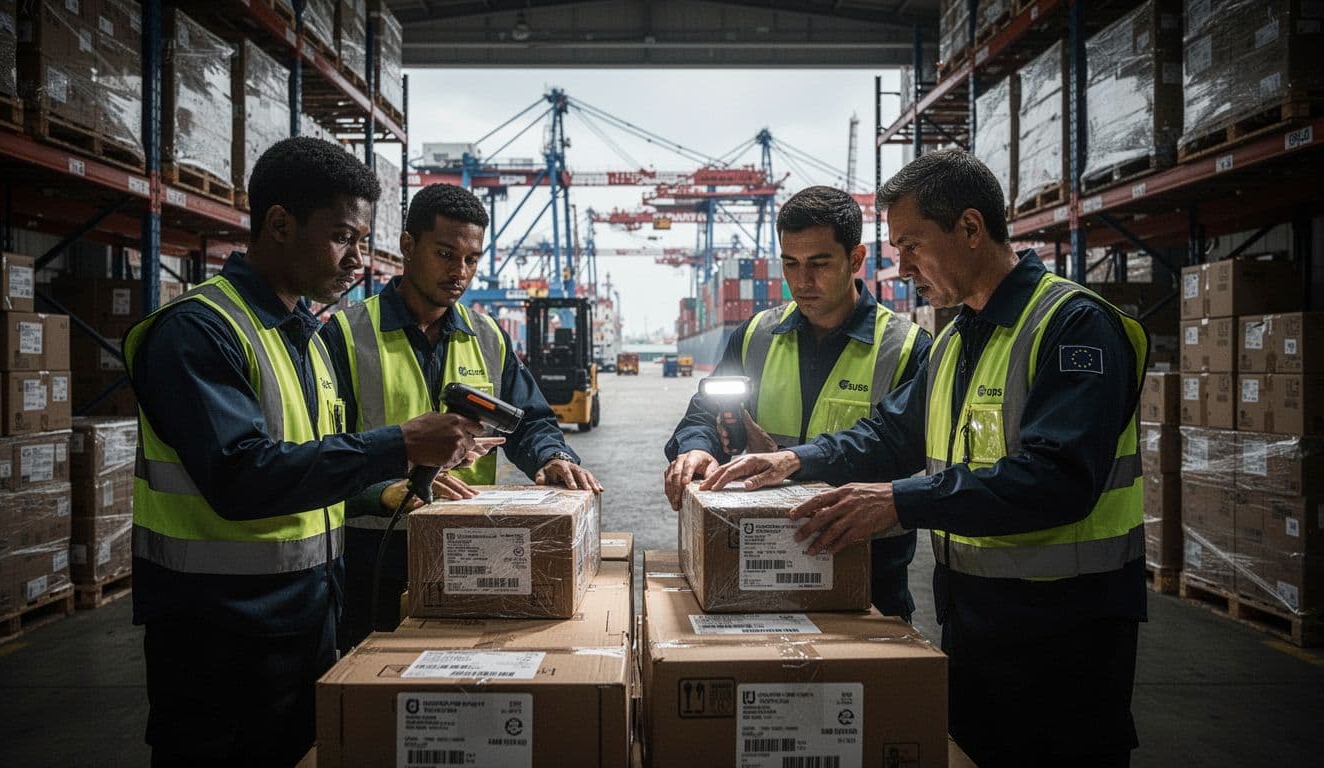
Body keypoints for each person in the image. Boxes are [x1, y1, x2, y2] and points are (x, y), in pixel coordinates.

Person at [700, 149, 1147, 768]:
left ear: (969, 228)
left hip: (1068, 630)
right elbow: (888, 434)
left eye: (910, 245)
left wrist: (898, 502)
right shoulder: (960, 336)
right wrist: (793, 462)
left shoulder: (1072, 326)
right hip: (975, 619)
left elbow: (1058, 479)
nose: (900, 265)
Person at [123, 137, 489, 768]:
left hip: (310, 621)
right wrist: (398, 444)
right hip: (217, 638)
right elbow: (241, 477)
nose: (358, 259)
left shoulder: (305, 337)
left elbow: (316, 467)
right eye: (344, 237)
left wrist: (387, 488)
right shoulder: (198, 330)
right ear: (280, 224)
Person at [321, 183, 602, 647]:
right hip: (374, 553)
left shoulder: (487, 336)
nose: (461, 272)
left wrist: (551, 456)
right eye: (446, 254)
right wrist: (382, 490)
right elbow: (319, 451)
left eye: (472, 259)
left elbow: (527, 419)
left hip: (470, 545)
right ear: (408, 246)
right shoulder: (346, 335)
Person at [662, 185, 929, 620]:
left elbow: (896, 443)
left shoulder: (906, 349)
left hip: (868, 571)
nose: (802, 281)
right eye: (790, 264)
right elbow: (706, 411)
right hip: (762, 555)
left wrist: (793, 460)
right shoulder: (754, 337)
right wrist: (696, 446)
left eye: (819, 264)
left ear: (856, 260)